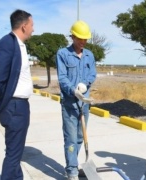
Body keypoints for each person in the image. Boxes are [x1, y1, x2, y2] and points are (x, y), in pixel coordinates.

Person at [0, 9, 34, 179]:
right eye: (31, 25)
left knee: (16, 151)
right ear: (23, 26)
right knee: (13, 155)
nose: (33, 29)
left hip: (19, 105)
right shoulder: (6, 44)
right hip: (14, 106)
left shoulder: (19, 45)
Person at [56, 20, 97, 180]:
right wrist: (74, 91)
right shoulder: (63, 54)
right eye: (80, 38)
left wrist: (85, 85)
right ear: (72, 37)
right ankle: (72, 171)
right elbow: (62, 78)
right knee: (71, 139)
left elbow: (92, 74)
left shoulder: (89, 55)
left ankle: (75, 163)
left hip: (84, 104)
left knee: (80, 137)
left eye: (85, 39)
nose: (83, 42)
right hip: (69, 104)